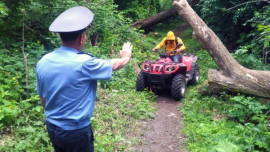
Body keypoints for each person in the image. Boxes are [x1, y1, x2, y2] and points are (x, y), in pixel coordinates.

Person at [36, 6, 132, 152]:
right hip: (76, 132)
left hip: (52, 127)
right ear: (82, 38)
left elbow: (43, 98)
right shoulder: (84, 63)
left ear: (61, 36)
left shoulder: (44, 61)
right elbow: (114, 65)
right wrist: (126, 57)